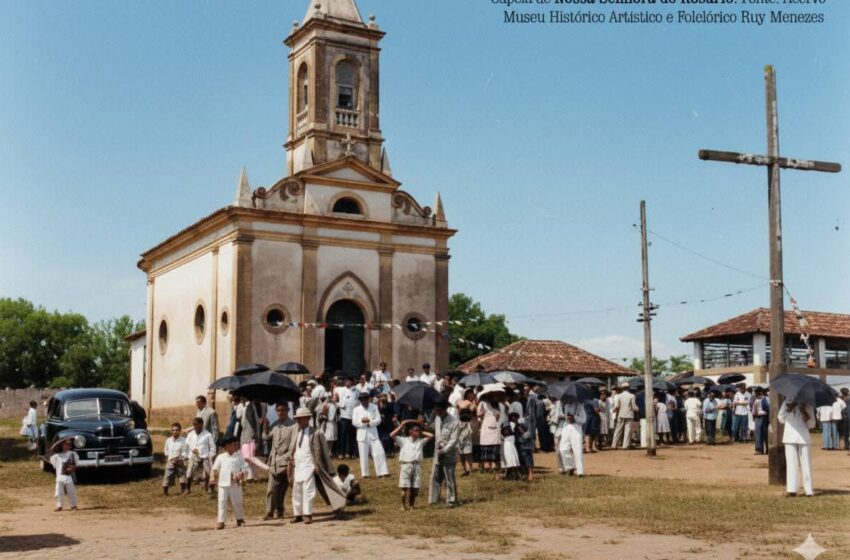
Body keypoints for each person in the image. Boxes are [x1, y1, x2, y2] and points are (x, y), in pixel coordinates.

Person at [291, 407, 346, 524]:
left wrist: (317, 465)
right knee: (297, 490)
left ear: (307, 418)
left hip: (309, 464)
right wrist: (292, 459)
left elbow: (318, 450)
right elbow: (295, 447)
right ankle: (298, 514)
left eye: (301, 418)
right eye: (298, 419)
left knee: (308, 490)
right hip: (298, 464)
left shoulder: (315, 432)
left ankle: (307, 514)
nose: (299, 421)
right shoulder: (297, 431)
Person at [263, 403, 297, 521]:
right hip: (274, 461)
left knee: (282, 488)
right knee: (271, 488)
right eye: (278, 410)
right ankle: (269, 511)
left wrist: (286, 459)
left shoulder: (293, 426)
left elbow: (292, 446)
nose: (280, 412)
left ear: (287, 410)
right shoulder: (275, 425)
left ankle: (280, 510)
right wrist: (264, 426)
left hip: (286, 461)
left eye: (282, 410)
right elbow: (266, 437)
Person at [391, 419, 434, 511]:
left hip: (416, 465)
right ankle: (403, 505)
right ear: (410, 432)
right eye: (416, 430)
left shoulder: (420, 441)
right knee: (404, 488)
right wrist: (401, 426)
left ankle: (411, 505)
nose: (417, 432)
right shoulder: (404, 440)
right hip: (406, 465)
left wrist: (421, 430)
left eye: (418, 431)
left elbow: (431, 436)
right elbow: (392, 435)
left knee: (415, 488)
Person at [210, 436, 250, 529]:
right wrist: (212, 477)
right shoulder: (221, 457)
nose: (236, 446)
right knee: (222, 502)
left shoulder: (239, 456)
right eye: (234, 444)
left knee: (237, 502)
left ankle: (240, 519)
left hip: (235, 483)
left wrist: (242, 475)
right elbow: (215, 469)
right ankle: (221, 521)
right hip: (223, 484)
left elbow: (245, 468)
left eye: (236, 444)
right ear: (227, 446)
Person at [778, 400, 816, 497]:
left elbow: (812, 424)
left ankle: (808, 490)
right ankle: (792, 489)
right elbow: (781, 418)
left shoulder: (808, 404)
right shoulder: (786, 402)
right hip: (789, 436)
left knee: (806, 463)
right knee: (791, 463)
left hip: (803, 436)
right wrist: (789, 408)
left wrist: (804, 411)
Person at [429, 400, 460, 507]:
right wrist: (424, 425)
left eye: (439, 410)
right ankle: (433, 499)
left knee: (449, 477)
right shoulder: (437, 419)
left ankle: (451, 500)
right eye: (435, 410)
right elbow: (434, 429)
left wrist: (444, 450)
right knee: (435, 476)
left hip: (448, 453)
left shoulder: (454, 422)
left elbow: (454, 440)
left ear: (445, 409)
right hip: (437, 452)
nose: (437, 412)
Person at [352, 392, 389, 478]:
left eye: (366, 400)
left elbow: (379, 420)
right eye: (362, 400)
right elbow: (354, 422)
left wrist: (370, 423)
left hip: (373, 433)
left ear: (368, 399)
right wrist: (363, 422)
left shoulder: (374, 407)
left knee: (379, 452)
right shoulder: (356, 409)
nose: (364, 402)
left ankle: (382, 472)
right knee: (363, 455)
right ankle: (365, 474)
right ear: (360, 401)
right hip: (362, 434)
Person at [186, 417, 216, 495]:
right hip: (194, 457)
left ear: (202, 425)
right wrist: (192, 450)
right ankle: (187, 489)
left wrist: (210, 455)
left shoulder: (208, 434)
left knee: (209, 473)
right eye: (194, 425)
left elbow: (213, 447)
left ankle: (210, 489)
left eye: (198, 425)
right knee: (189, 473)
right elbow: (186, 445)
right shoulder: (190, 434)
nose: (196, 427)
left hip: (205, 457)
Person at [476, 389, 502, 476]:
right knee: (486, 447)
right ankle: (487, 467)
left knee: (494, 447)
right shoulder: (483, 403)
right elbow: (479, 414)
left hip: (494, 430)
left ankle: (494, 467)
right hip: (487, 428)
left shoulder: (497, 405)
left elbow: (498, 417)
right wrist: (485, 418)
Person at [50, 437, 78, 511]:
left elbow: (75, 465)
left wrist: (72, 468)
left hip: (68, 476)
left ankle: (73, 505)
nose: (67, 446)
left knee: (71, 491)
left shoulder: (73, 454)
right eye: (65, 444)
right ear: (62, 445)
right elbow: (54, 464)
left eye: (69, 444)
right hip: (59, 476)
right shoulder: (57, 456)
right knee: (59, 492)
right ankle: (59, 506)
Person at [240, 399, 265, 481]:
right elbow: (250, 420)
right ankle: (251, 475)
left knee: (249, 456)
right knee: (249, 456)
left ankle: (252, 475)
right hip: (249, 434)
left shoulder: (251, 406)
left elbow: (249, 421)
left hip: (250, 434)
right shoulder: (251, 406)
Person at [333, 375, 358, 459]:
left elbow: (357, 403)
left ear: (351, 382)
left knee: (352, 436)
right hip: (344, 416)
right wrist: (336, 403)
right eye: (345, 381)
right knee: (342, 435)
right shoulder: (342, 390)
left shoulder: (356, 391)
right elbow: (340, 402)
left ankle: (349, 453)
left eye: (347, 381)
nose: (346, 382)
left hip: (353, 416)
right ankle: (341, 453)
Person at [559, 404, 586, 476]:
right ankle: (570, 467)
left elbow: (583, 420)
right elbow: (565, 417)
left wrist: (575, 417)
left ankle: (580, 472)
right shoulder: (566, 406)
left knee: (578, 450)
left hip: (576, 428)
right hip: (566, 427)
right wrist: (566, 417)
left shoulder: (580, 406)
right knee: (563, 449)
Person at [163, 423, 189, 495]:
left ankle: (183, 491)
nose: (175, 431)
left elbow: (185, 451)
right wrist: (168, 458)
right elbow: (166, 450)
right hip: (170, 461)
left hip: (180, 461)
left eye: (177, 430)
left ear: (180, 431)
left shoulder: (184, 440)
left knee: (182, 476)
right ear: (171, 431)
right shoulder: (168, 440)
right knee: (167, 476)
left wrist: (181, 457)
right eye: (173, 430)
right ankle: (165, 493)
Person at [611, 383, 637, 450]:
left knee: (618, 430)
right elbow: (634, 407)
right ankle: (625, 445)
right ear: (628, 388)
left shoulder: (618, 396)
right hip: (629, 414)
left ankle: (614, 445)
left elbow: (616, 406)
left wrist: (614, 411)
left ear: (622, 388)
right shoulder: (632, 396)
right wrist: (637, 409)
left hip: (620, 414)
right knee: (627, 431)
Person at [456, 388, 476, 476]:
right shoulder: (460, 401)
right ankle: (465, 470)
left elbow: (470, 411)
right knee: (461, 453)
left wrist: (467, 407)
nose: (471, 395)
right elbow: (458, 405)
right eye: (469, 393)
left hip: (467, 426)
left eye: (472, 393)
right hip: (459, 426)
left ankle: (470, 470)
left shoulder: (472, 404)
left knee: (467, 452)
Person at [751, 388, 769, 454]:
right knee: (765, 434)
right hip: (765, 417)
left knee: (758, 434)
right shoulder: (767, 399)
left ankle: (759, 449)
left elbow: (754, 411)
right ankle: (767, 449)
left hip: (759, 417)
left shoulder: (756, 400)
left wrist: (753, 417)